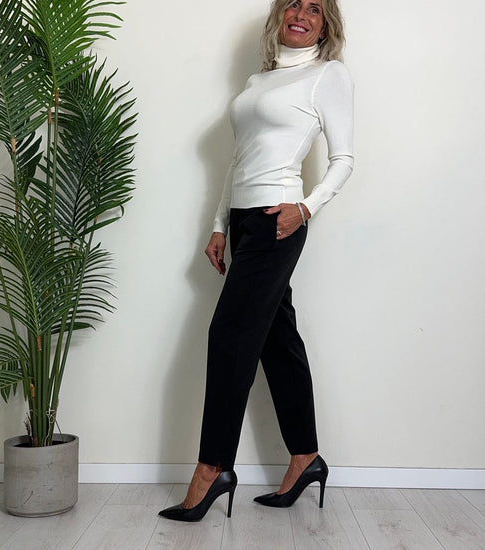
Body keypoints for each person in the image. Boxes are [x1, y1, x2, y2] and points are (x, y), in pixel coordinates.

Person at [159, 0, 353, 522]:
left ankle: (212, 468)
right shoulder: (258, 81)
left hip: (277, 220)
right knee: (276, 340)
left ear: (325, 25)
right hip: (244, 221)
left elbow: (344, 159)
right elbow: (238, 159)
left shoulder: (328, 75)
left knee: (228, 336)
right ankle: (306, 457)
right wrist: (220, 224)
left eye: (315, 9)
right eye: (294, 3)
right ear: (279, 15)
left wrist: (305, 208)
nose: (301, 13)